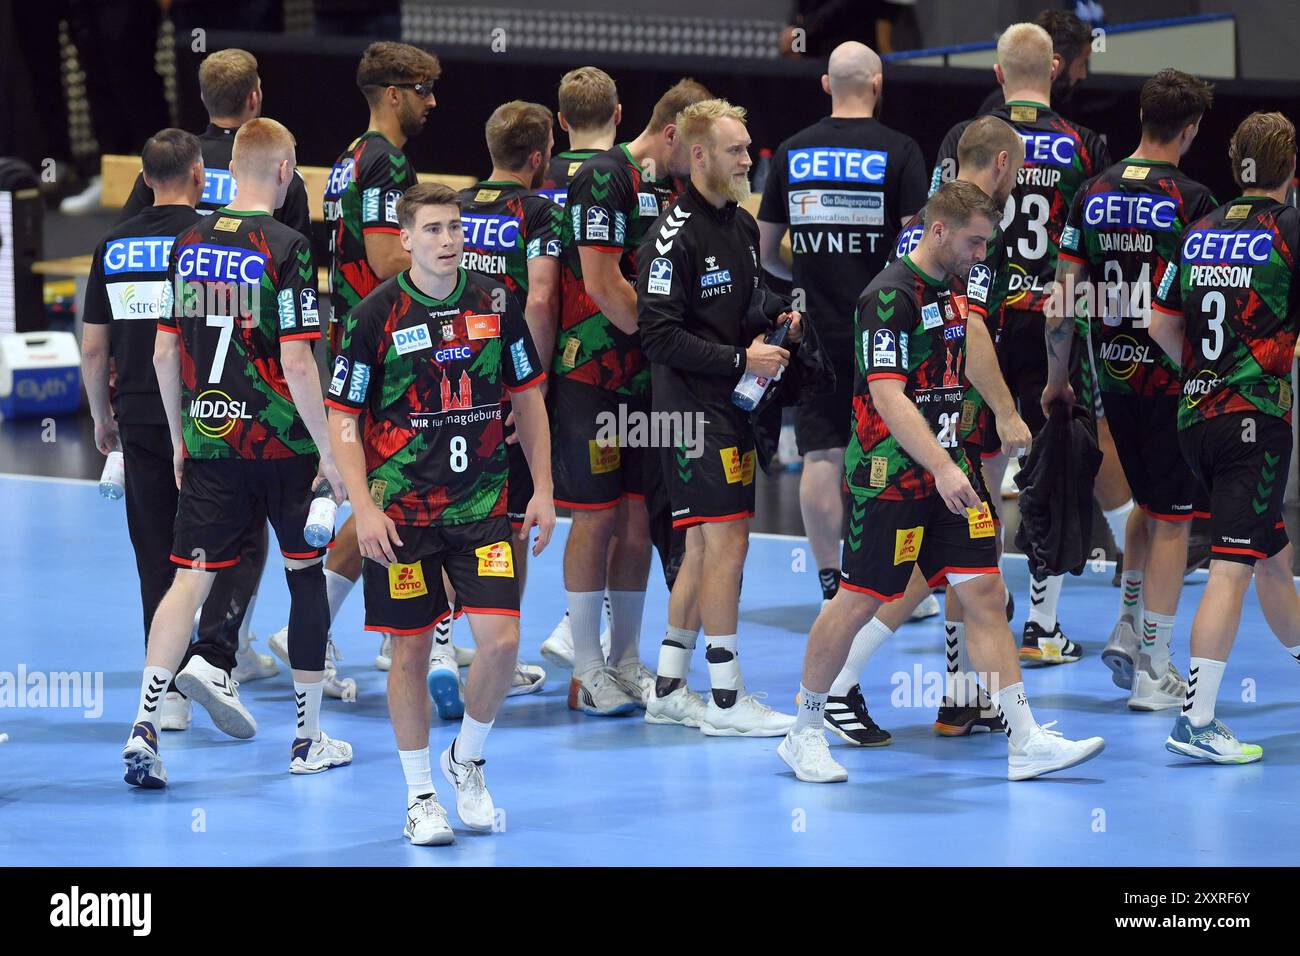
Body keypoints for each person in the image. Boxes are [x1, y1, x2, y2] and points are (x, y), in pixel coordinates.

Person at [778, 180, 1105, 784]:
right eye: (975, 242)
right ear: (937, 231)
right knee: (858, 601)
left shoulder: (953, 288)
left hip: (948, 478)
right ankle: (804, 732)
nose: (983, 255)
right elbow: (886, 395)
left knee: (983, 593)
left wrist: (1004, 413)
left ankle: (1025, 739)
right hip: (892, 478)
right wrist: (944, 465)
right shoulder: (888, 296)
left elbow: (973, 352)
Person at [121, 118, 350, 788]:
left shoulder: (188, 240)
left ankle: (143, 723)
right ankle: (306, 739)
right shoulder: (286, 246)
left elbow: (166, 352)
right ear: (283, 172)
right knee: (303, 576)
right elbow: (299, 363)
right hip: (281, 445)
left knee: (187, 579)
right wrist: (330, 452)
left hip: (209, 440)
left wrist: (179, 440)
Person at [326, 182, 554, 843]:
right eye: (432, 230)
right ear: (407, 241)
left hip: (483, 504)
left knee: (503, 645)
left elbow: (530, 397)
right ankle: (420, 795)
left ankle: (468, 759)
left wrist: (541, 488)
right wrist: (363, 506)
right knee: (410, 653)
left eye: (454, 228)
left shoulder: (494, 302)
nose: (448, 240)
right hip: (402, 514)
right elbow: (343, 418)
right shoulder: (376, 316)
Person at [824, 116, 1025, 744]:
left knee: (971, 574)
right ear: (999, 166)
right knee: (895, 578)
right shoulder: (938, 254)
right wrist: (1007, 412)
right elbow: (969, 338)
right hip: (914, 447)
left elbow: (961, 334)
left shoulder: (942, 236)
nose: (979, 254)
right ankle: (833, 695)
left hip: (949, 438)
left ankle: (985, 710)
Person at [932, 22, 1113, 665]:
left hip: (980, 320)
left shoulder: (969, 139)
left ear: (998, 74)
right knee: (1054, 468)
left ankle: (969, 622)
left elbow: (936, 227)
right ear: (1057, 70)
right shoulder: (1084, 145)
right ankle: (1043, 623)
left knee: (976, 466)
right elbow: (1087, 250)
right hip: (1052, 323)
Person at [269, 41, 443, 680]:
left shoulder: (350, 157)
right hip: (381, 345)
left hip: (352, 336)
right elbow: (384, 258)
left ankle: (378, 630)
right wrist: (460, 259)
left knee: (375, 490)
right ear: (393, 93)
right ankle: (373, 633)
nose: (432, 101)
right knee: (393, 489)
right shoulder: (387, 163)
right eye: (424, 89)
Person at [1049, 69, 1218, 711]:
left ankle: (1126, 625)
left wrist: (1059, 381)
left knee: (1147, 508)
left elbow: (1062, 300)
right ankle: (1155, 669)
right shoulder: (1194, 199)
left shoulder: (1092, 190)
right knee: (1173, 522)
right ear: (1191, 129)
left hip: (1110, 379)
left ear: (1142, 119)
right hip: (1172, 382)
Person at [639, 98, 802, 734]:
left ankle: (671, 687)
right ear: (700, 155)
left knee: (704, 546)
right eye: (735, 151)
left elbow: (741, 300)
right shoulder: (669, 237)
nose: (747, 161)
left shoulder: (737, 223)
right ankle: (728, 700)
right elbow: (658, 337)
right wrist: (743, 358)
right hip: (687, 414)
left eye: (748, 149)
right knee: (727, 542)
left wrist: (776, 314)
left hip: (726, 407)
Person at [553, 78, 712, 715]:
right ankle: (586, 670)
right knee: (594, 518)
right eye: (694, 149)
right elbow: (599, 280)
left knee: (639, 519)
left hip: (647, 382)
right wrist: (665, 340)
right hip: (592, 375)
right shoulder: (604, 176)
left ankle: (624, 660)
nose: (699, 163)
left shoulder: (672, 189)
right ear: (670, 133)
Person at [757, 42, 929, 617]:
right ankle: (888, 584)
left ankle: (833, 583)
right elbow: (915, 250)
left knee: (822, 454)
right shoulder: (901, 151)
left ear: (827, 86)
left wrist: (805, 272)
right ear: (878, 82)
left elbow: (766, 252)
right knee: (894, 448)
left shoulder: (793, 150)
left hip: (815, 329)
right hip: (881, 321)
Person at [1149, 112, 1300, 764]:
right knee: (1233, 566)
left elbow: (1158, 322)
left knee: (1268, 556)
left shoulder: (1199, 230)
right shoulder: (1289, 231)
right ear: (1291, 169)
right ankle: (1197, 720)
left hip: (1194, 421)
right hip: (1253, 425)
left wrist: (1209, 374)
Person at [452, 98, 566, 706]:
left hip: (446, 377)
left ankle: (440, 642)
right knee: (511, 518)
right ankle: (505, 652)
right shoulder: (539, 212)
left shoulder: (455, 207)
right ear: (539, 156)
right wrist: (535, 384)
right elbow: (542, 300)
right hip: (505, 380)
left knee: (446, 506)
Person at [120, 48, 311, 239]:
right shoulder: (280, 168)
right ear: (254, 99)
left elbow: (124, 233)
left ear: (203, 97)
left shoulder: (169, 158)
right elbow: (301, 254)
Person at [978, 10, 1092, 116]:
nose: (1083, 74)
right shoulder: (998, 112)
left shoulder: (1074, 103)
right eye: (1081, 65)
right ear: (1057, 64)